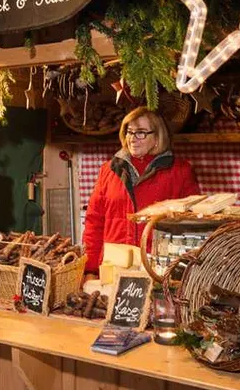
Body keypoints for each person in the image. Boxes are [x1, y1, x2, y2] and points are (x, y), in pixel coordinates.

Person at [82, 107, 200, 275]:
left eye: (141, 133)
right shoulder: (108, 170)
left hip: (159, 270)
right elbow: (94, 223)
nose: (132, 139)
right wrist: (90, 270)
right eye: (129, 132)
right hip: (113, 269)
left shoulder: (180, 171)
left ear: (157, 137)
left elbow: (193, 226)